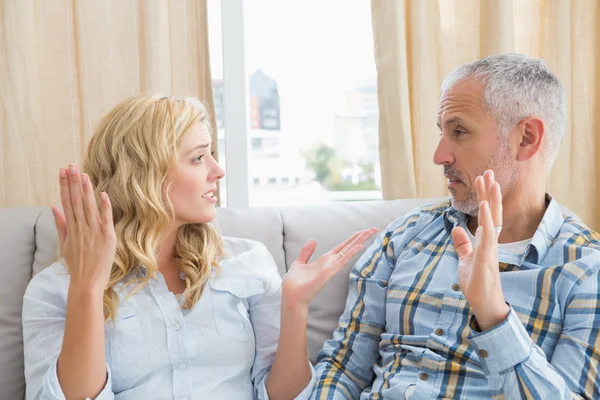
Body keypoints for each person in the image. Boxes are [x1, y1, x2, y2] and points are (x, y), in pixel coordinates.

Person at [22, 93, 378, 400]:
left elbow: (282, 396)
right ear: (146, 175)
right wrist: (88, 286)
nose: (218, 170)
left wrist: (296, 307)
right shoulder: (54, 289)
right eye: (198, 158)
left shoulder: (248, 262)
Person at [311, 53, 600, 399]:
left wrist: (493, 315)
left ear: (526, 139)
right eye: (442, 133)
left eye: (459, 131)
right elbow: (341, 369)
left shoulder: (587, 271)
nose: (439, 156)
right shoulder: (406, 236)